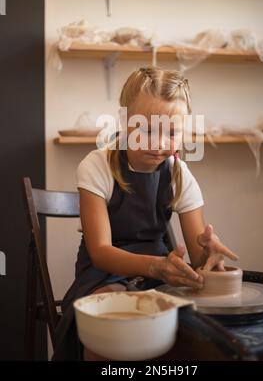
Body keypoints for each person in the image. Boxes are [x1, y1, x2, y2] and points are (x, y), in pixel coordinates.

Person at [53, 66, 237, 361]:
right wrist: (154, 266)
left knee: (199, 331)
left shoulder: (179, 173)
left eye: (172, 133)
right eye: (147, 129)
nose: (160, 143)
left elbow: (197, 258)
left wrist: (208, 255)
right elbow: (100, 251)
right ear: (126, 122)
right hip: (103, 275)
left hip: (161, 277)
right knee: (114, 329)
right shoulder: (97, 165)